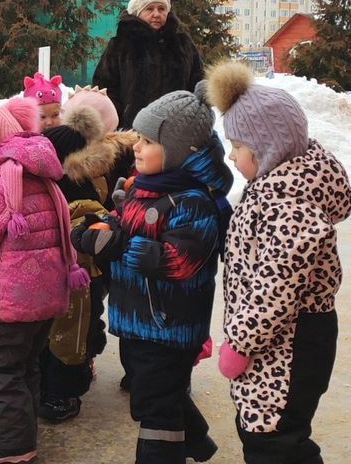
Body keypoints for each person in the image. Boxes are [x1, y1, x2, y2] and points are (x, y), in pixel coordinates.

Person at [71, 84, 234, 463]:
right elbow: (125, 225)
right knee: (157, 391)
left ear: (177, 151)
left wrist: (119, 246)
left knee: (155, 407)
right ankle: (196, 441)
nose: (136, 147)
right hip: (137, 319)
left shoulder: (194, 201)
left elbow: (178, 261)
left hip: (168, 324)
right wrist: (100, 227)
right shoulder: (146, 187)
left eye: (147, 141)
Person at [205, 60, 351, 464]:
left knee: (274, 439)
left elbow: (276, 287)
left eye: (238, 147)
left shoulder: (289, 203)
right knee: (263, 429)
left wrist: (240, 342)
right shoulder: (272, 187)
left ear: (267, 145)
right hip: (275, 341)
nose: (232, 158)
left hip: (289, 342)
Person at [0, 96, 90, 464]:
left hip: (5, 301)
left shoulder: (1, 184)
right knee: (25, 365)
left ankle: (11, 445)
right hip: (43, 297)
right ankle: (14, 427)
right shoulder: (35, 174)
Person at [38, 102, 138, 423]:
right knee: (75, 334)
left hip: (75, 278)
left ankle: (62, 392)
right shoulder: (91, 186)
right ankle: (64, 385)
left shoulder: (63, 191)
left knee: (65, 337)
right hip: (85, 278)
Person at [92, 0, 204, 130]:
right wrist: (119, 117)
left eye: (161, 9)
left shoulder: (183, 44)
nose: (156, 14)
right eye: (149, 9)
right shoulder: (120, 45)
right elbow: (104, 87)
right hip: (131, 132)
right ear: (138, 12)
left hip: (175, 133)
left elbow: (199, 81)